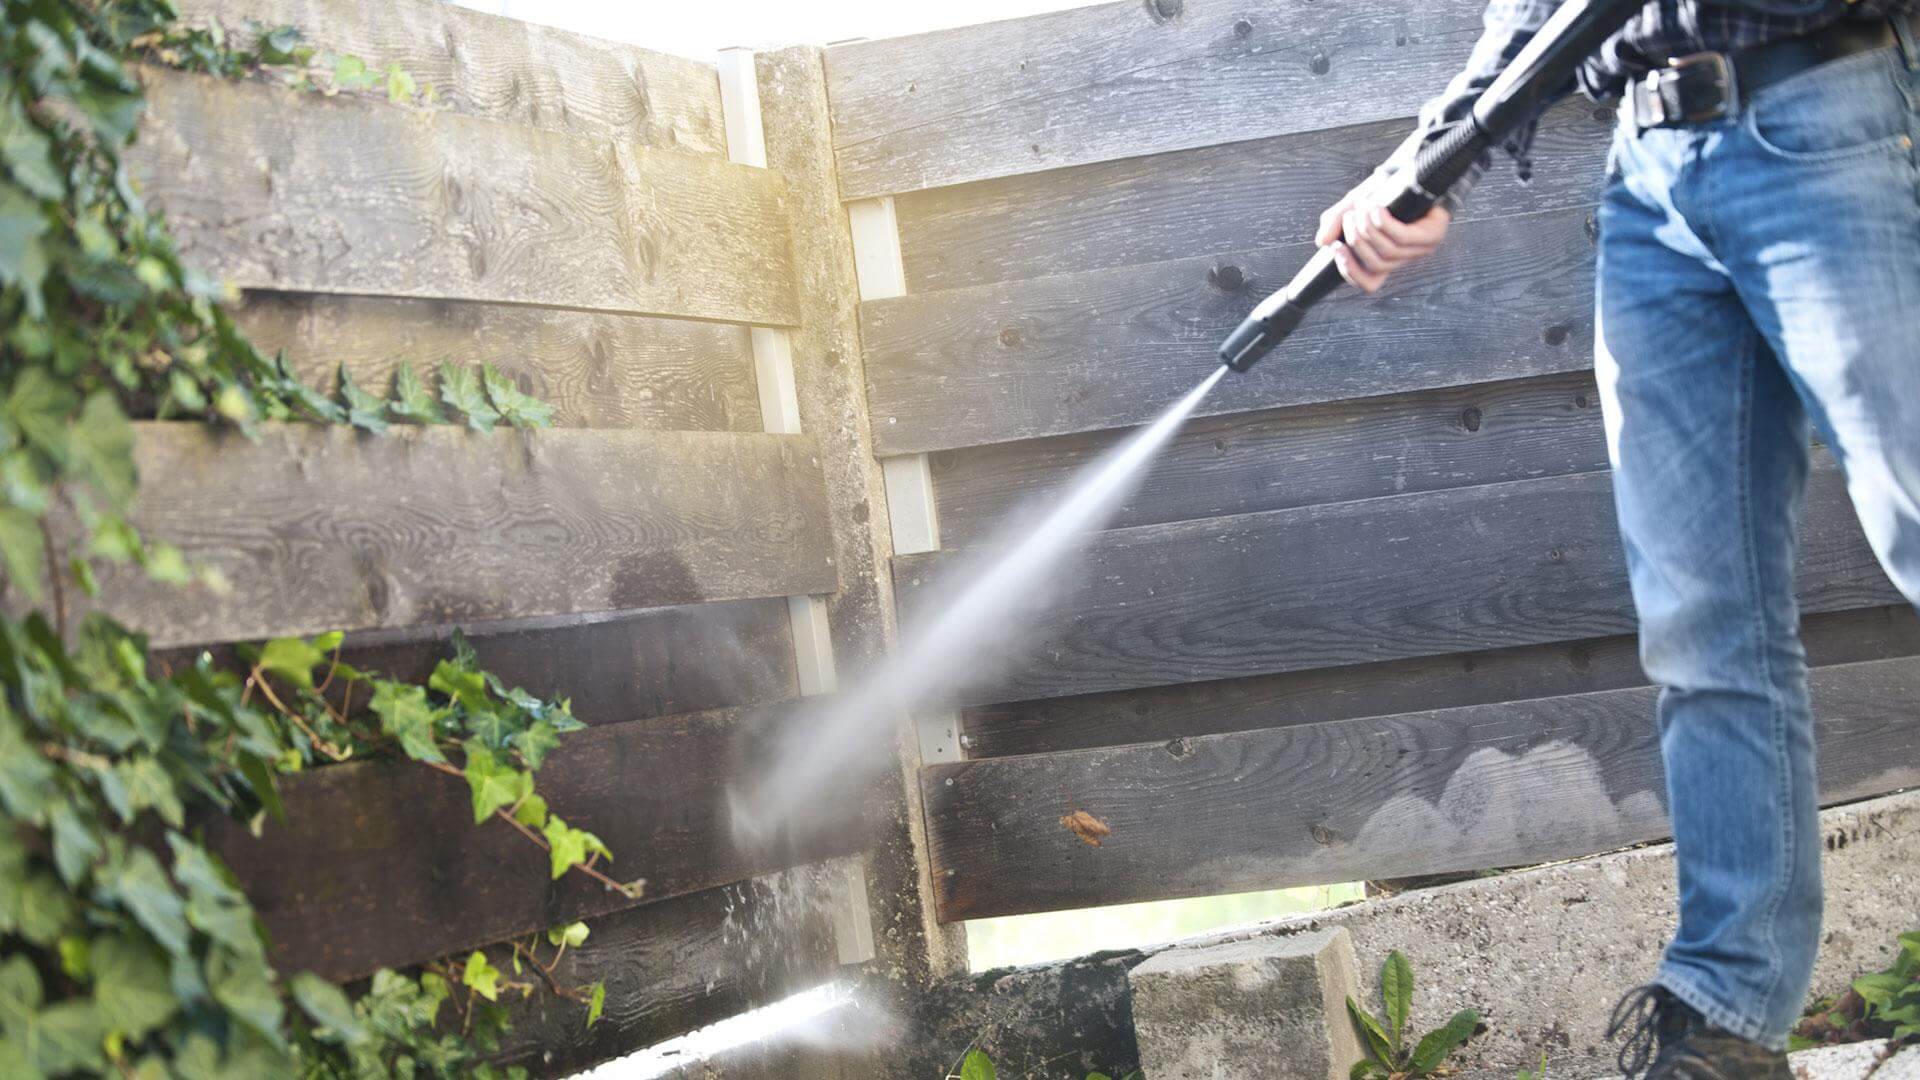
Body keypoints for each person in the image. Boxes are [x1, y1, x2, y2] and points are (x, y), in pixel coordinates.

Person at [1318, 2, 1920, 1077]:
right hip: (1647, 166)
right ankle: (1725, 1015)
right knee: (1702, 617)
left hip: (1826, 104)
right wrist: (1431, 156)